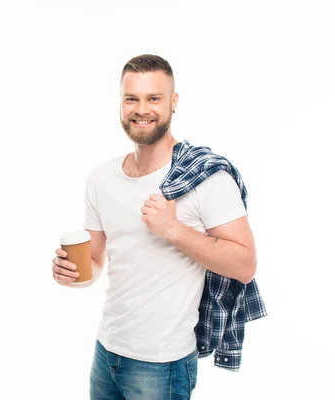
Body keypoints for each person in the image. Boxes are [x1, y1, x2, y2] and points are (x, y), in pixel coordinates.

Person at [51, 54, 260, 399]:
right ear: (120, 102)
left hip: (162, 364)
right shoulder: (101, 179)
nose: (141, 109)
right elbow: (96, 261)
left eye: (154, 98)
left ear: (173, 102)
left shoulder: (206, 178)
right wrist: (70, 274)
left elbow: (245, 264)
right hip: (107, 350)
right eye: (131, 98)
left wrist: (173, 229)